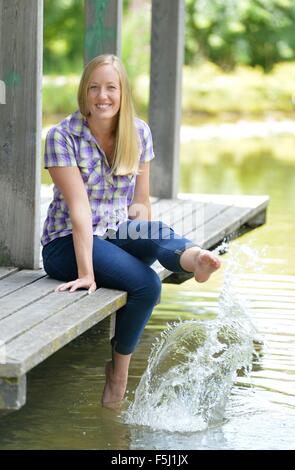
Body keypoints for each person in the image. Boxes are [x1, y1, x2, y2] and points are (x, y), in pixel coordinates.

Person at [41, 54, 221, 409]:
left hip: (115, 231)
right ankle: (118, 374)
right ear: (84, 92)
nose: (102, 96)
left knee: (154, 230)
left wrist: (148, 242)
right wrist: (87, 272)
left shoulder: (137, 132)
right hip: (66, 245)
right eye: (94, 87)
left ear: (123, 92)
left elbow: (140, 204)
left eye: (111, 87)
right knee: (147, 285)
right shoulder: (62, 137)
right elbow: (78, 209)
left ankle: (193, 258)